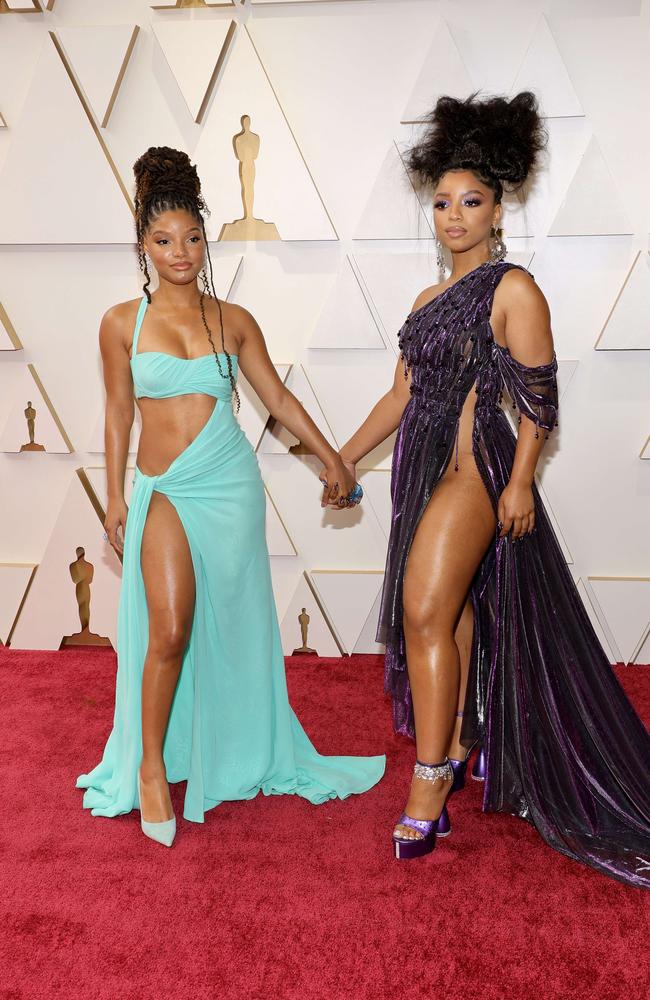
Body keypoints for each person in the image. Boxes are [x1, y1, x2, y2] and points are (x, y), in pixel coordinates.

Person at [322, 93, 650, 885]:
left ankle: (430, 775)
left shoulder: (514, 289)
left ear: (500, 208)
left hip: (476, 467)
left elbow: (542, 396)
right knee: (453, 613)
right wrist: (340, 457)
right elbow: (398, 398)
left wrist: (523, 483)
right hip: (418, 468)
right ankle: (463, 743)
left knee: (424, 610)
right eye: (441, 202)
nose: (454, 215)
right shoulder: (425, 303)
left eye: (471, 201)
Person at [76, 146, 384, 847]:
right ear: (142, 245)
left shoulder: (233, 319)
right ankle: (151, 766)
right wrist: (116, 498)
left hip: (229, 488)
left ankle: (226, 747)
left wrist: (332, 456)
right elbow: (119, 412)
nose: (178, 252)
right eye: (162, 241)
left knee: (231, 631)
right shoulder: (121, 322)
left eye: (190, 237)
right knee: (171, 627)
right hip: (164, 490)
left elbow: (274, 398)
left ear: (204, 238)